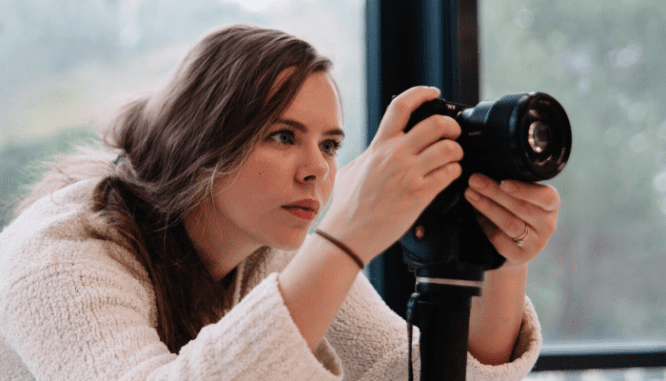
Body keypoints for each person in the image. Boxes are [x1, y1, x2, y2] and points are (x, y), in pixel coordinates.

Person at [0, 24, 559, 380]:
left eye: (331, 144)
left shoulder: (270, 248)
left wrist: (502, 257)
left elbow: (404, 374)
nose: (318, 168)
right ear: (202, 139)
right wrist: (345, 237)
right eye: (283, 136)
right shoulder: (58, 255)